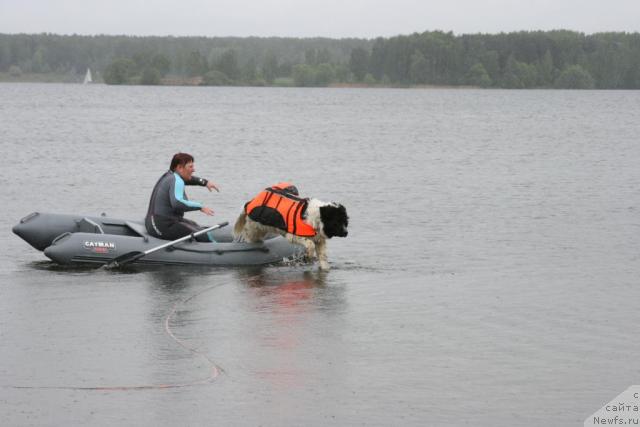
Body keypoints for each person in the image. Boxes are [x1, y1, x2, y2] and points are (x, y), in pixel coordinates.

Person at [145, 152, 219, 242]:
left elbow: (189, 179)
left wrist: (205, 182)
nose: (193, 170)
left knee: (194, 225)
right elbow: (177, 203)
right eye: (190, 167)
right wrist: (200, 206)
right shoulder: (177, 180)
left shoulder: (169, 176)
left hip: (152, 222)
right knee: (202, 236)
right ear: (179, 168)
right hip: (162, 226)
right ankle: (217, 250)